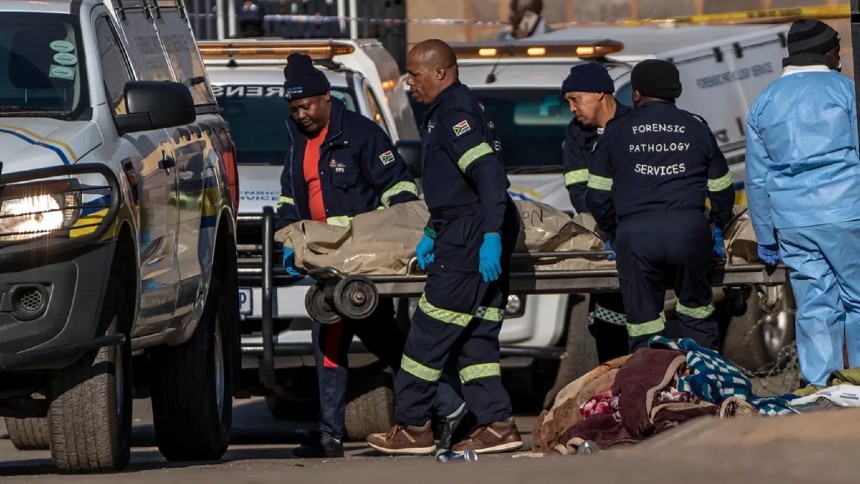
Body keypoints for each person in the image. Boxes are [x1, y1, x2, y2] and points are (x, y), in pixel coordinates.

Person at [276, 53, 465, 457]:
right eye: (293, 109)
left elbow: (399, 190)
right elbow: (290, 196)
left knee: (377, 341)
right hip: (326, 264)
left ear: (326, 98)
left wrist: (383, 239)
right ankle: (334, 433)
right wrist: (291, 240)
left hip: (363, 262)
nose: (301, 115)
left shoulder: (363, 135)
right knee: (348, 340)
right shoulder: (296, 141)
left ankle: (448, 406)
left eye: (306, 106)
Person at [367, 39, 523, 455]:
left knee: (427, 335)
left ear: (441, 72)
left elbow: (489, 175)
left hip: (471, 234)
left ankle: (414, 426)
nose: (409, 82)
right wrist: (434, 230)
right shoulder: (448, 111)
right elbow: (457, 185)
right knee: (476, 337)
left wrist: (487, 234)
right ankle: (497, 425)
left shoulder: (454, 113)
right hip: (465, 228)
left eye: (415, 74)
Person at [586, 59, 735, 352]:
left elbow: (597, 196)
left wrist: (611, 231)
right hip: (690, 234)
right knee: (697, 312)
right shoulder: (697, 127)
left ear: (637, 93)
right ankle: (703, 382)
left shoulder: (616, 132)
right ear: (675, 91)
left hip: (637, 237)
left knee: (644, 324)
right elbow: (722, 187)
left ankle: (649, 386)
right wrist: (719, 225)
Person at [745, 19, 860, 386]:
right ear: (828, 51)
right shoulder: (846, 91)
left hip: (791, 222)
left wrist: (765, 235)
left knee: (814, 305)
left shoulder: (765, 100)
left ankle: (822, 386)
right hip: (847, 211)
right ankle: (856, 380)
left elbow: (758, 176)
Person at [561, 62, 632, 362]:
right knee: (606, 326)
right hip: (605, 240)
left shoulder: (634, 123)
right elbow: (579, 192)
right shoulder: (577, 135)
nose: (572, 108)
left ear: (600, 94)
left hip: (640, 236)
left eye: (575, 99)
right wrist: (608, 225)